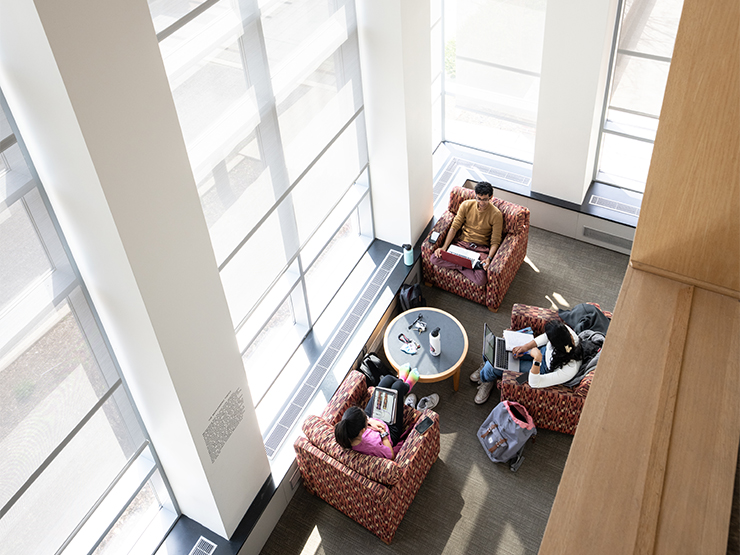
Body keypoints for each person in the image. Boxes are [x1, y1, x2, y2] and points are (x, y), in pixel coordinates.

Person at [470, 319, 583, 403]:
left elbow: (535, 383)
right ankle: (486, 368)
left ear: (555, 344)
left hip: (542, 370)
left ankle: (487, 377)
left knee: (495, 366)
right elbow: (545, 337)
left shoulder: (569, 369)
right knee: (501, 345)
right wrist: (526, 347)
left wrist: (537, 359)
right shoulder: (567, 334)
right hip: (541, 351)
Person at [334, 368, 420, 460]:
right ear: (363, 430)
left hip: (371, 421)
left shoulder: (346, 432)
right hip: (388, 431)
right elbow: (390, 455)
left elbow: (361, 421)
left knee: (387, 380)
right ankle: (406, 385)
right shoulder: (373, 447)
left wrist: (370, 420)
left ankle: (401, 380)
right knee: (397, 387)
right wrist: (383, 432)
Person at [430, 181, 503, 287]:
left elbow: (495, 241)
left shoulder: (496, 214)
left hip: (480, 249)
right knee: (434, 258)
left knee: (481, 280)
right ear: (475, 196)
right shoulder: (466, 205)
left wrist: (489, 258)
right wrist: (444, 247)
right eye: (479, 199)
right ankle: (465, 265)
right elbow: (454, 227)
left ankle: (460, 263)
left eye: (485, 200)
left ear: (491, 197)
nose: (481, 203)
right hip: (462, 244)